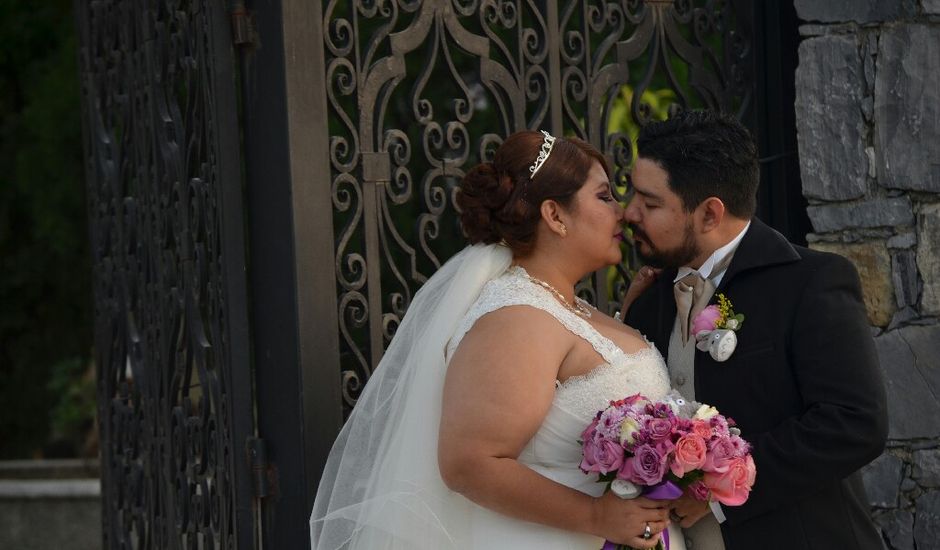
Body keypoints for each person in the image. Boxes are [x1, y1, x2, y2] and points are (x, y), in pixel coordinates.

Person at [310, 130, 679, 549]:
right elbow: (468, 463)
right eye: (604, 196)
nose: (623, 213)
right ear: (555, 216)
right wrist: (596, 515)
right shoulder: (517, 318)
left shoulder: (568, 307)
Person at [621, 109, 888, 550]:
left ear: (709, 213)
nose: (629, 212)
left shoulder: (810, 283)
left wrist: (717, 491)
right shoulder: (648, 303)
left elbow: (855, 423)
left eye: (650, 204)